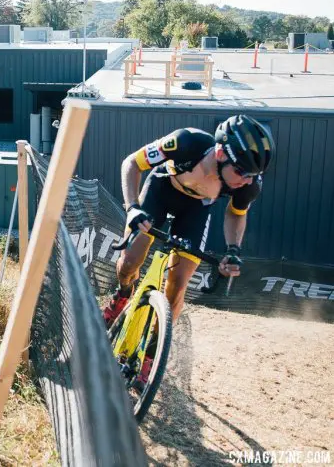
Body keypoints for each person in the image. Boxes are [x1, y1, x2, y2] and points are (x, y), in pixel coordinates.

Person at [103, 114, 274, 385]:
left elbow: (236, 214)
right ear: (220, 153)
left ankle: (151, 355)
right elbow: (132, 164)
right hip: (161, 189)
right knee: (129, 262)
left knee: (178, 284)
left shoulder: (248, 186)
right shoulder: (185, 142)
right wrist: (132, 207)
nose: (246, 180)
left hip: (195, 210)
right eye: (241, 171)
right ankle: (123, 293)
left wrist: (233, 249)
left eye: (253, 175)